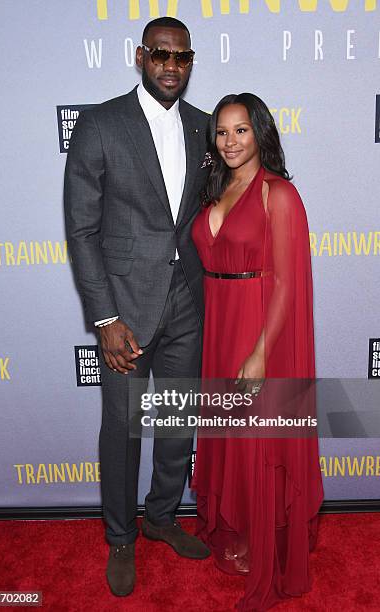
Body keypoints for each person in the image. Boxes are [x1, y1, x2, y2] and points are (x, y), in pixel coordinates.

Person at [64, 17, 211, 598]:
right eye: (160, 55)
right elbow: (82, 230)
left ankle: (162, 516)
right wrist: (104, 319)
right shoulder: (100, 124)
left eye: (182, 57)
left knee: (176, 421)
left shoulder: (204, 129)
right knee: (123, 429)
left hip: (188, 303)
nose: (171, 66)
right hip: (124, 309)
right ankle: (121, 537)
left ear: (190, 62)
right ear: (140, 57)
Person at [191, 93, 324, 610]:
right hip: (219, 324)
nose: (229, 141)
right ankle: (241, 530)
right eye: (221, 132)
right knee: (230, 439)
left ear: (260, 132)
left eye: (241, 131)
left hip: (257, 325)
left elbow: (289, 282)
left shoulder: (279, 194)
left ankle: (266, 547)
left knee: (259, 441)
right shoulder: (216, 186)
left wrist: (262, 352)